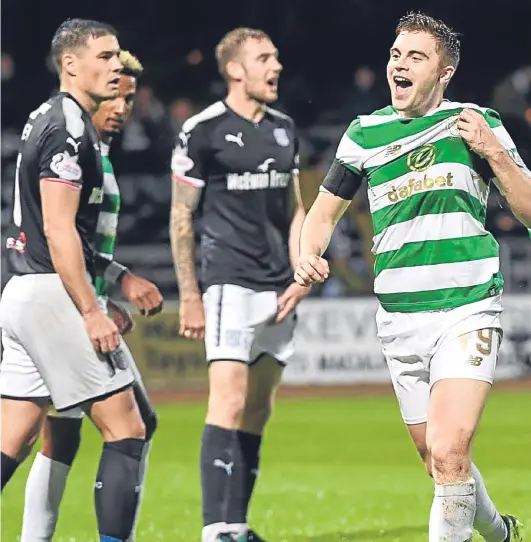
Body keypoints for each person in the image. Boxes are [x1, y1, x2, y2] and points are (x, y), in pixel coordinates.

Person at [294, 12, 527, 542]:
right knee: (438, 460)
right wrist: (309, 252)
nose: (399, 65)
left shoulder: (477, 122)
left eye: (415, 57)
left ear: (444, 73)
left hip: (466, 307)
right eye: (396, 54)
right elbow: (323, 213)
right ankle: (501, 533)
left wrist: (493, 151)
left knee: (449, 453)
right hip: (399, 319)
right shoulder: (363, 134)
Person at [0, 19, 162, 542]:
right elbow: (57, 226)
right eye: (107, 56)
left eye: (119, 57)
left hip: (26, 291)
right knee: (129, 428)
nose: (116, 66)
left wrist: (114, 278)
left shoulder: (58, 120)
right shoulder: (68, 127)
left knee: (14, 439)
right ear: (71, 64)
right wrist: (92, 307)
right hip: (51, 293)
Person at [170, 27, 308, 542]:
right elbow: (181, 217)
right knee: (226, 402)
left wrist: (302, 271)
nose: (275, 67)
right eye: (264, 58)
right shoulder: (201, 131)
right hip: (229, 282)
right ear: (234, 69)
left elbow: (296, 210)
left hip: (280, 287)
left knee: (258, 408)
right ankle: (215, 529)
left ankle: (237, 524)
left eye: (276, 57)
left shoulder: (285, 128)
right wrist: (189, 294)